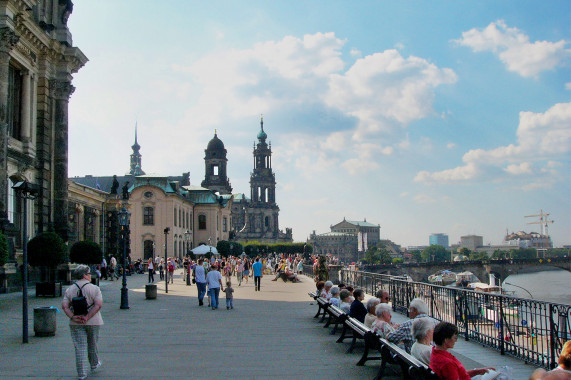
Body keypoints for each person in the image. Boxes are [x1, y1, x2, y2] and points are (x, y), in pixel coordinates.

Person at [62, 265, 103, 380]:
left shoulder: (70, 289)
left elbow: (65, 306)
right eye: (89, 273)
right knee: (93, 344)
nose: (90, 275)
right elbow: (98, 305)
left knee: (79, 347)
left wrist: (73, 317)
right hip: (94, 321)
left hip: (76, 322)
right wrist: (88, 316)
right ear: (85, 275)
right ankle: (94, 364)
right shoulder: (94, 288)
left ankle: (82, 373)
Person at [430, 322, 494, 379]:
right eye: (455, 338)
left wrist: (477, 371)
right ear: (446, 340)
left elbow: (459, 374)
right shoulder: (447, 363)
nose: (456, 340)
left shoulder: (436, 353)